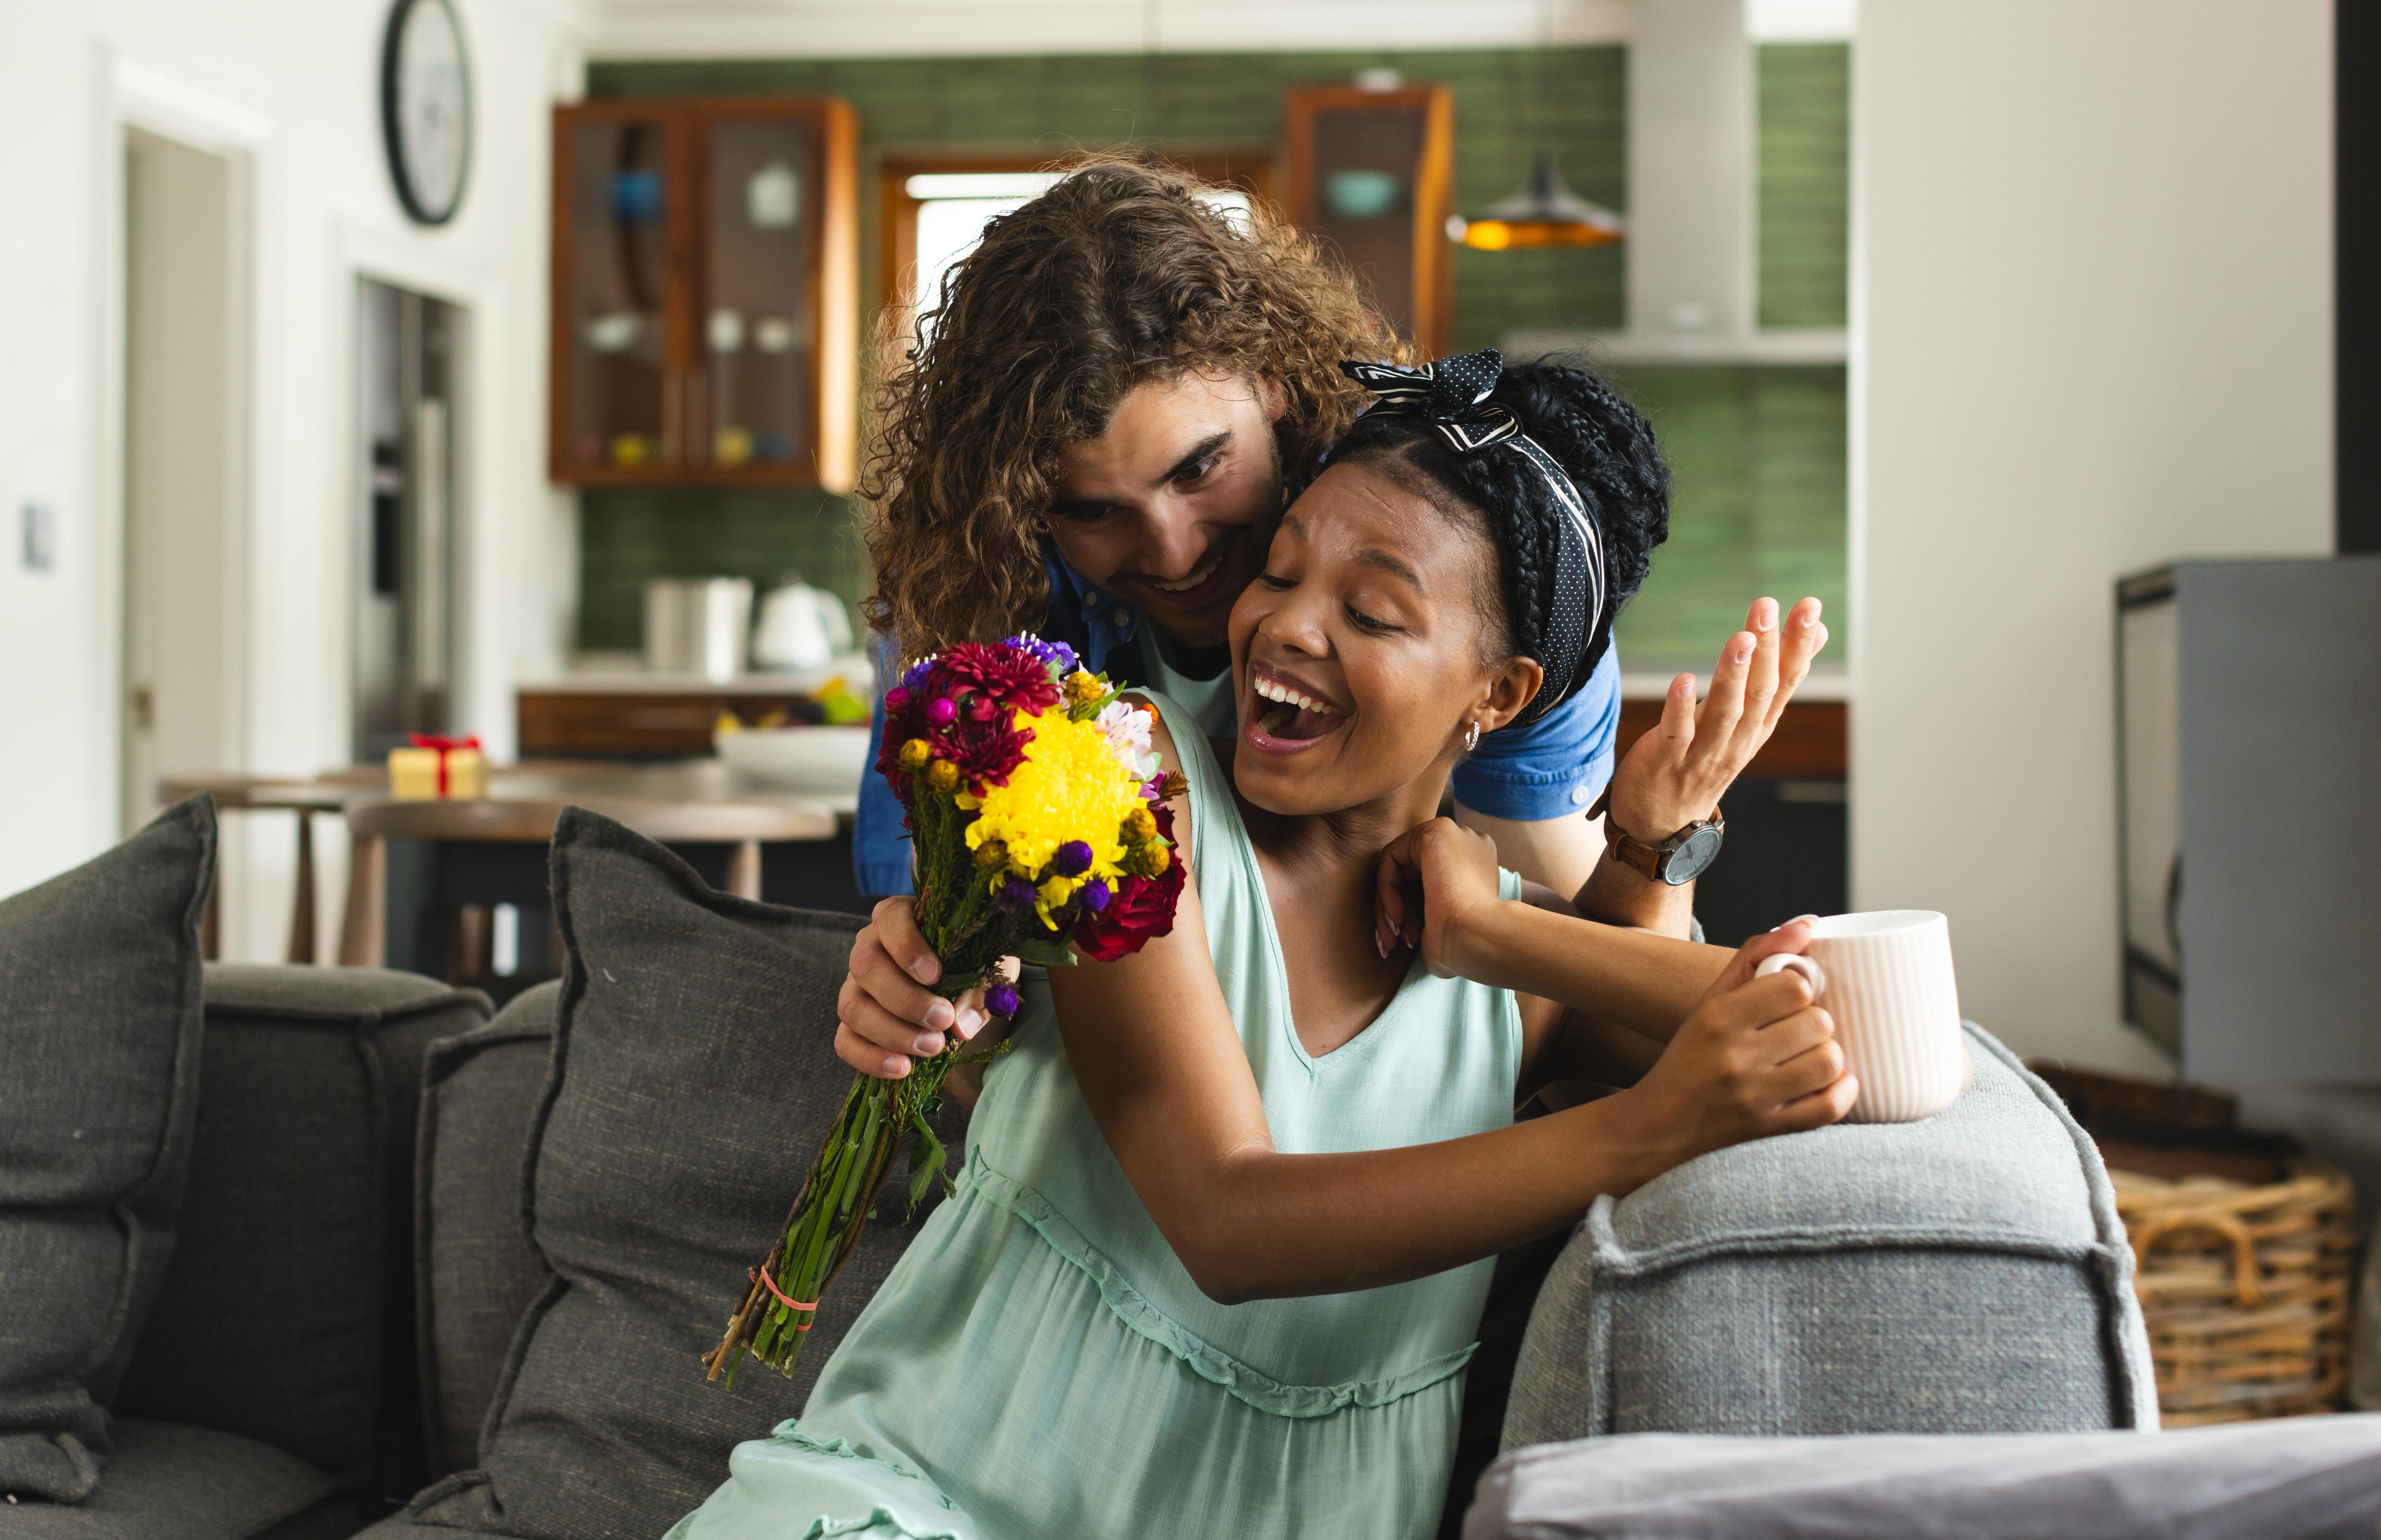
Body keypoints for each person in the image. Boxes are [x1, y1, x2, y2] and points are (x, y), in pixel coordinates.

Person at [670, 352, 1842, 1540]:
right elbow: (1226, 1222)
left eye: (1369, 611)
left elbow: (1839, 1029)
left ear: (1498, 695)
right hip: (914, 1505)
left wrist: (1564, 892)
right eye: (1279, 571)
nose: (1285, 623)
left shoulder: (1498, 970)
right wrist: (1644, 1130)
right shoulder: (1128, 788)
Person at [850, 160, 1629, 915]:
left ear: (1272, 379)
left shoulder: (1466, 554)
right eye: (1093, 511)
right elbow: (954, 932)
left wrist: (1645, 857)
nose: (1173, 553)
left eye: (1199, 468)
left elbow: (1568, 960)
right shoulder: (980, 585)